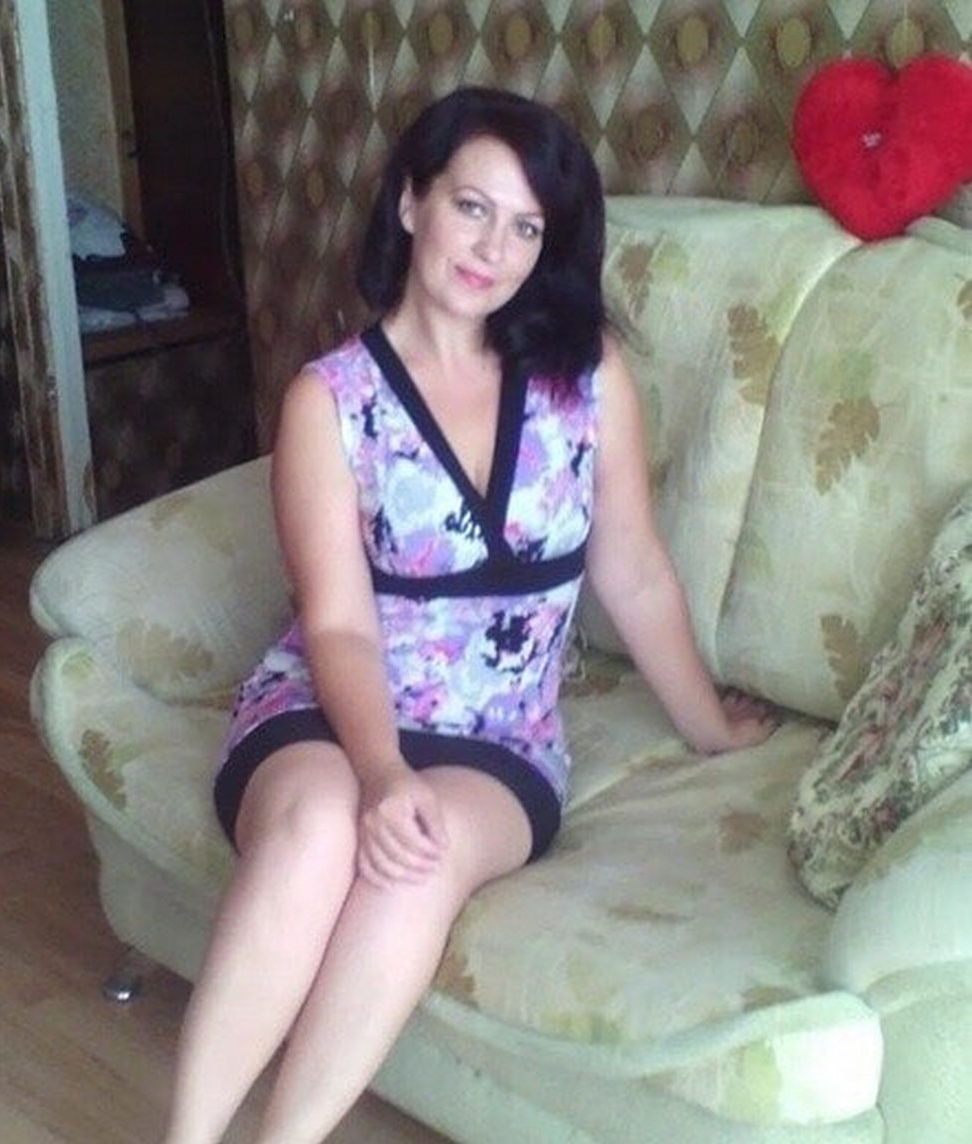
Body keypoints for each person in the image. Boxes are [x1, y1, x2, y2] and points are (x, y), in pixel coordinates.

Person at [162, 86, 776, 1144]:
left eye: (527, 226)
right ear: (411, 204)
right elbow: (337, 624)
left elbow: (633, 571)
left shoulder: (585, 378)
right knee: (316, 832)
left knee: (419, 854)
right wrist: (380, 769)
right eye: (472, 207)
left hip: (499, 737)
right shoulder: (330, 401)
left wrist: (709, 726)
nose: (495, 248)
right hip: (326, 705)